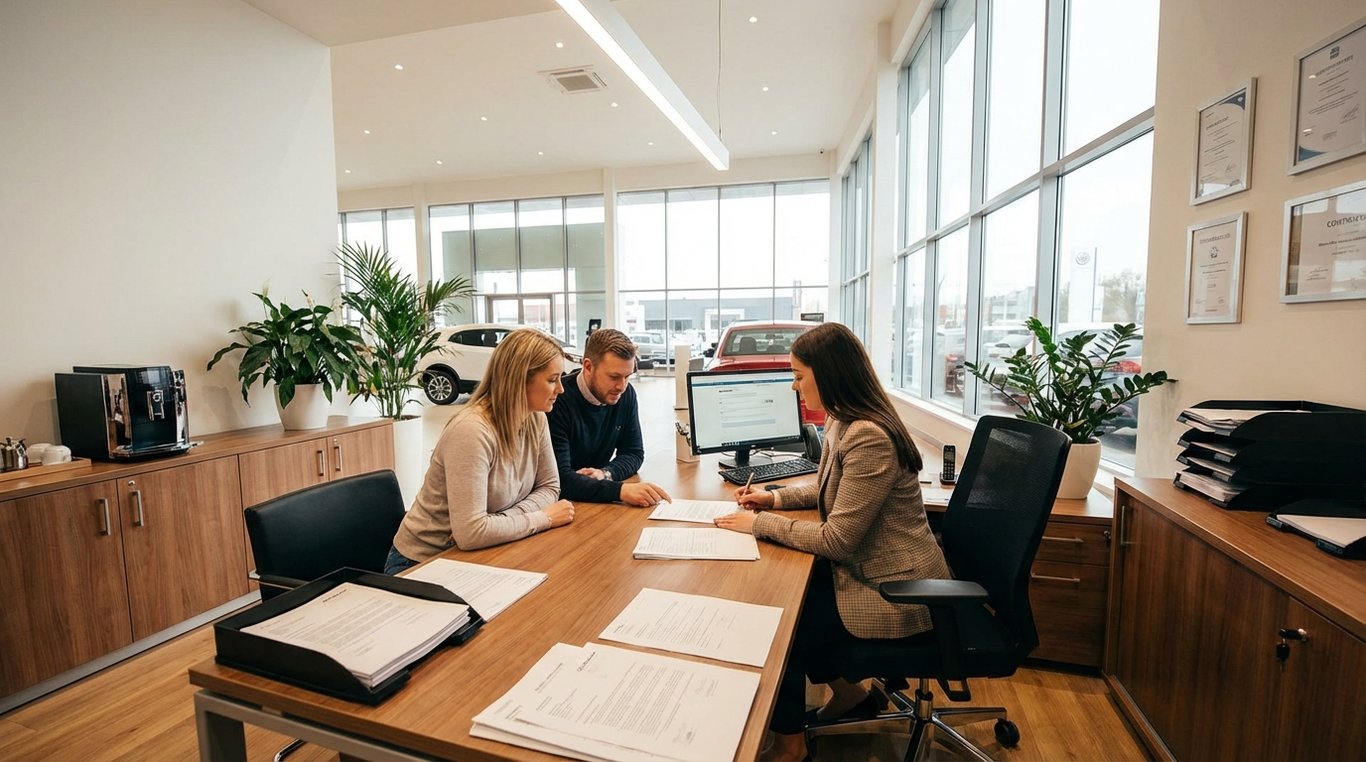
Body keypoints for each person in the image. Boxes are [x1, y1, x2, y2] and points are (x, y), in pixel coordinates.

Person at [714, 321, 951, 762]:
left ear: (828, 373)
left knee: (776, 625)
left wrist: (759, 525)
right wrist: (774, 498)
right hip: (873, 570)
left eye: (799, 375)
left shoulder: (869, 436)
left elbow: (838, 539)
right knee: (788, 600)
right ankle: (851, 695)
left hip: (898, 592)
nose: (793, 385)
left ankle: (789, 745)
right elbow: (830, 490)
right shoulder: (845, 419)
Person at [384, 328, 575, 574]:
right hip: (423, 562)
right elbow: (472, 533)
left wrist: (503, 521)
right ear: (519, 380)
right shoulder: (471, 431)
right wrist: (544, 518)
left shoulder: (535, 418)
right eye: (552, 380)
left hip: (485, 551)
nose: (561, 389)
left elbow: (550, 487)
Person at [547, 328, 673, 506]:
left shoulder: (626, 394)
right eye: (614, 377)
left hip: (595, 500)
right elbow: (559, 479)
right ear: (588, 366)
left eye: (627, 376)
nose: (622, 386)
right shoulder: (557, 401)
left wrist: (605, 473)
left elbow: (633, 453)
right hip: (563, 505)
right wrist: (619, 490)